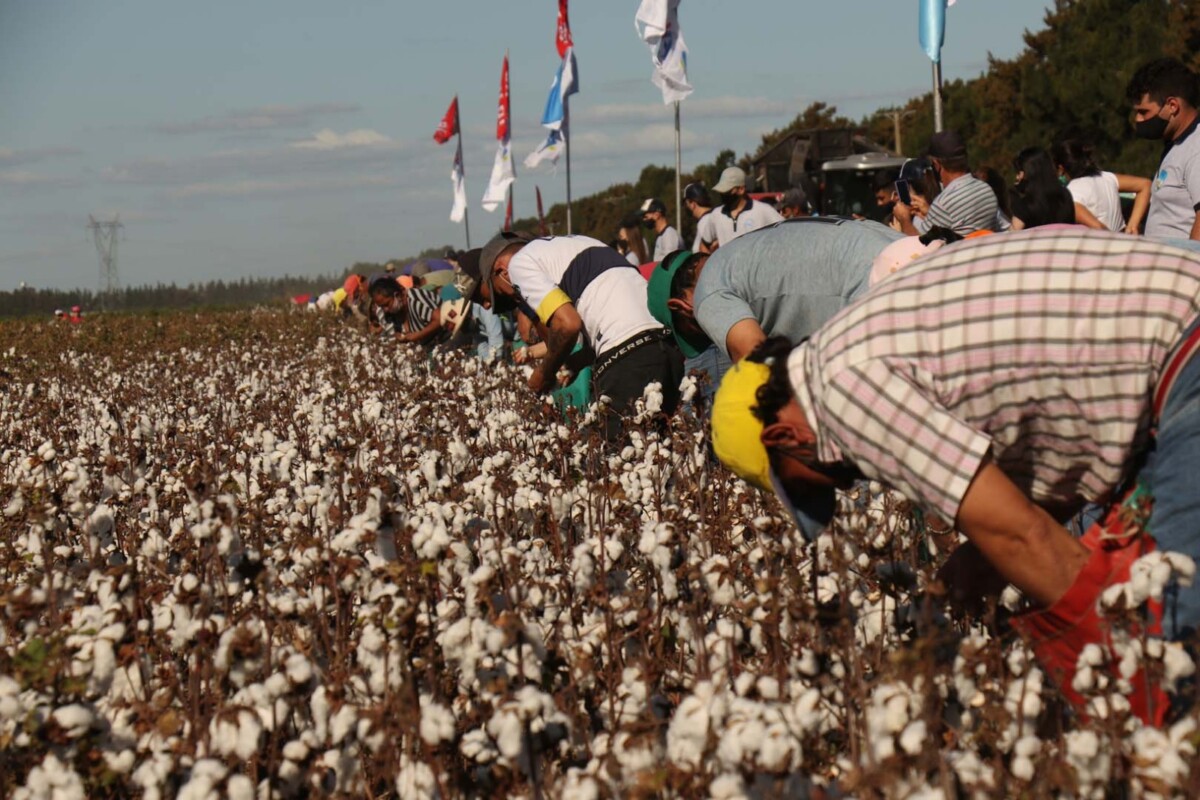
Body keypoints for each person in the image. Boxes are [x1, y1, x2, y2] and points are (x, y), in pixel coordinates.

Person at [710, 228, 1200, 726]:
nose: (842, 486)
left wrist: (1118, 693)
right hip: (1173, 341)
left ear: (783, 436)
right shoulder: (856, 341)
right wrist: (945, 602)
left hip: (1183, 350)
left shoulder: (843, 392)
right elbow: (1030, 504)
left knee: (1172, 653)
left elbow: (1024, 537)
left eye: (807, 483)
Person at [473, 232, 684, 440]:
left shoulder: (518, 264)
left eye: (499, 293)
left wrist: (544, 373)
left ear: (502, 270)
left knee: (619, 452)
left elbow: (568, 325)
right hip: (667, 348)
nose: (514, 297)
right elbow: (614, 321)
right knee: (661, 449)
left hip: (628, 358)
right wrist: (574, 363)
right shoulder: (576, 244)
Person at [645, 217, 903, 365]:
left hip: (879, 292)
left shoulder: (707, 291)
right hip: (908, 252)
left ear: (680, 306)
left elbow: (760, 371)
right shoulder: (743, 251)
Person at [1126, 58, 1200, 241]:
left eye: (1144, 112)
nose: (1138, 119)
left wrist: (1189, 258)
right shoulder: (1177, 145)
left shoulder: (1196, 148)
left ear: (1172, 106)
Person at [893, 130, 998, 237]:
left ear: (937, 165)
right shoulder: (986, 190)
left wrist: (904, 220)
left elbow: (921, 244)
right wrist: (930, 213)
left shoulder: (943, 203)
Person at [1051, 135, 1150, 234]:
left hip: (1100, 242)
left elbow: (1098, 227)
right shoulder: (1107, 177)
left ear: (1061, 169)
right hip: (1122, 238)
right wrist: (1132, 226)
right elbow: (1145, 184)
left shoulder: (1071, 194)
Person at [1008, 146, 1080, 230]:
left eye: (1018, 173)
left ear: (1028, 173)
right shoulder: (1065, 196)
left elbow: (1013, 233)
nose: (1017, 177)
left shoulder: (1025, 205)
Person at [712, 166, 783, 244]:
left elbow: (785, 232)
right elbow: (704, 243)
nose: (723, 194)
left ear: (741, 189)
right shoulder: (716, 214)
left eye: (727, 191)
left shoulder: (763, 210)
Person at [683, 182, 734, 253]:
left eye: (687, 204)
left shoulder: (705, 221)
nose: (686, 207)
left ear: (693, 204)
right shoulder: (715, 216)